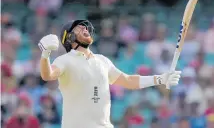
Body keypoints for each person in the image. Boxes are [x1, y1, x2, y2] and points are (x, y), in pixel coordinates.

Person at [38, 20, 182, 128]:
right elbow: (48, 75)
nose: (84, 28)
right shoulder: (65, 60)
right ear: (69, 37)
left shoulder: (102, 60)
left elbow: (128, 80)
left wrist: (160, 79)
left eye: (85, 26)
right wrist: (45, 54)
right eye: (78, 27)